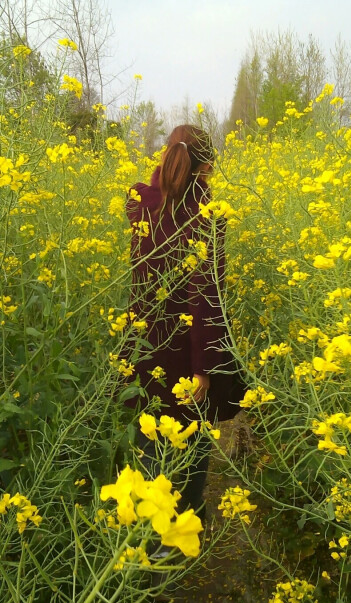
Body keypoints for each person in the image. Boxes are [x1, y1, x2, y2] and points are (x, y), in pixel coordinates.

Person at [124, 124, 241, 523]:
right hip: (186, 351)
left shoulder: (138, 201)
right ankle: (184, 525)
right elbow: (207, 298)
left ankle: (145, 525)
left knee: (149, 434)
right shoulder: (206, 215)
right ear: (206, 168)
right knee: (191, 441)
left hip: (143, 346)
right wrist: (203, 369)